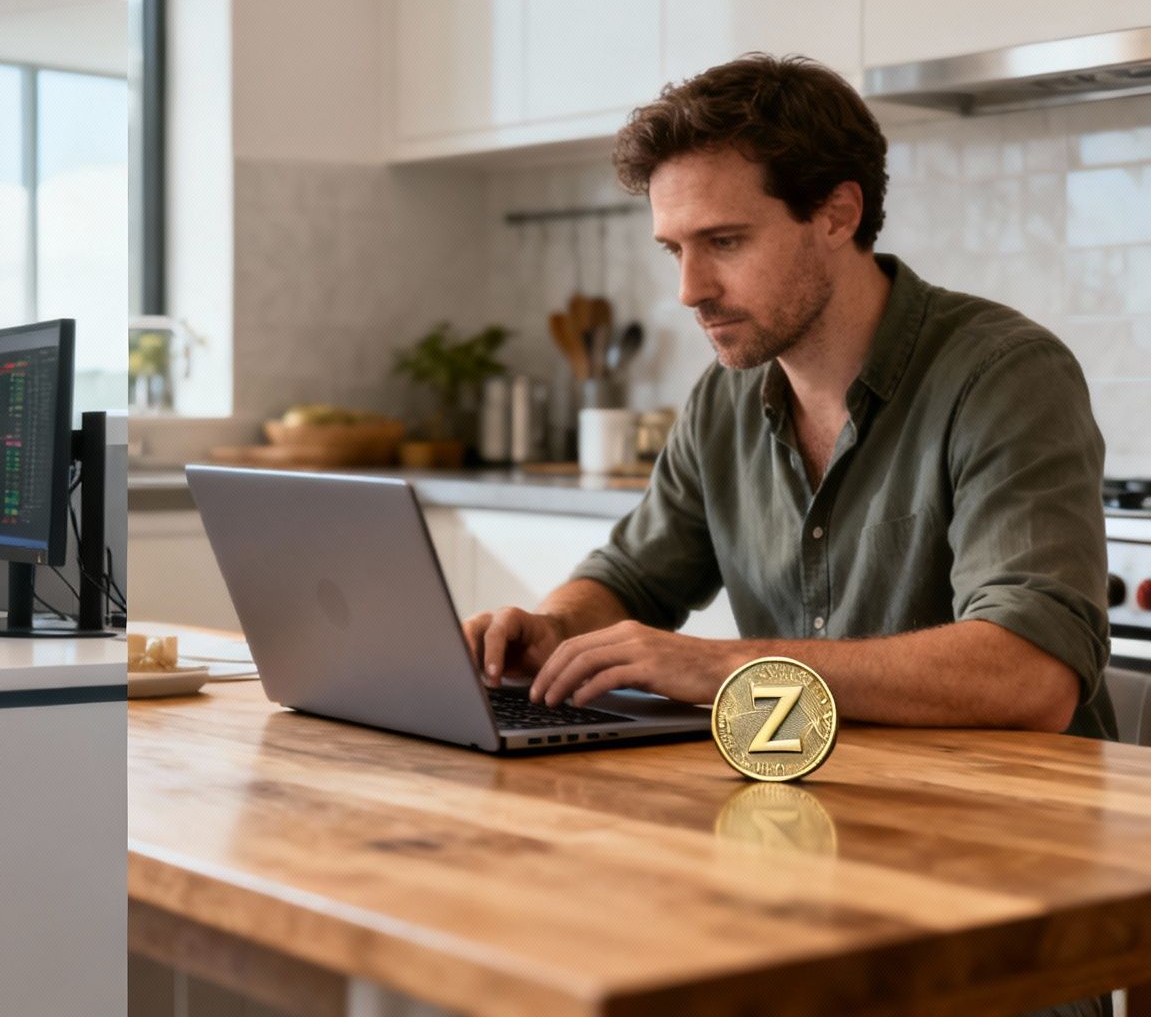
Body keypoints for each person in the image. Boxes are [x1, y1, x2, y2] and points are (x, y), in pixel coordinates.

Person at [463, 54, 1113, 742]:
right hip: (813, 798)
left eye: (724, 241)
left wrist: (728, 668)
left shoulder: (1003, 375)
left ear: (837, 214)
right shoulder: (726, 396)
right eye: (674, 250)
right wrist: (556, 629)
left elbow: (1032, 674)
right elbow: (630, 578)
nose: (690, 290)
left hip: (1013, 822)